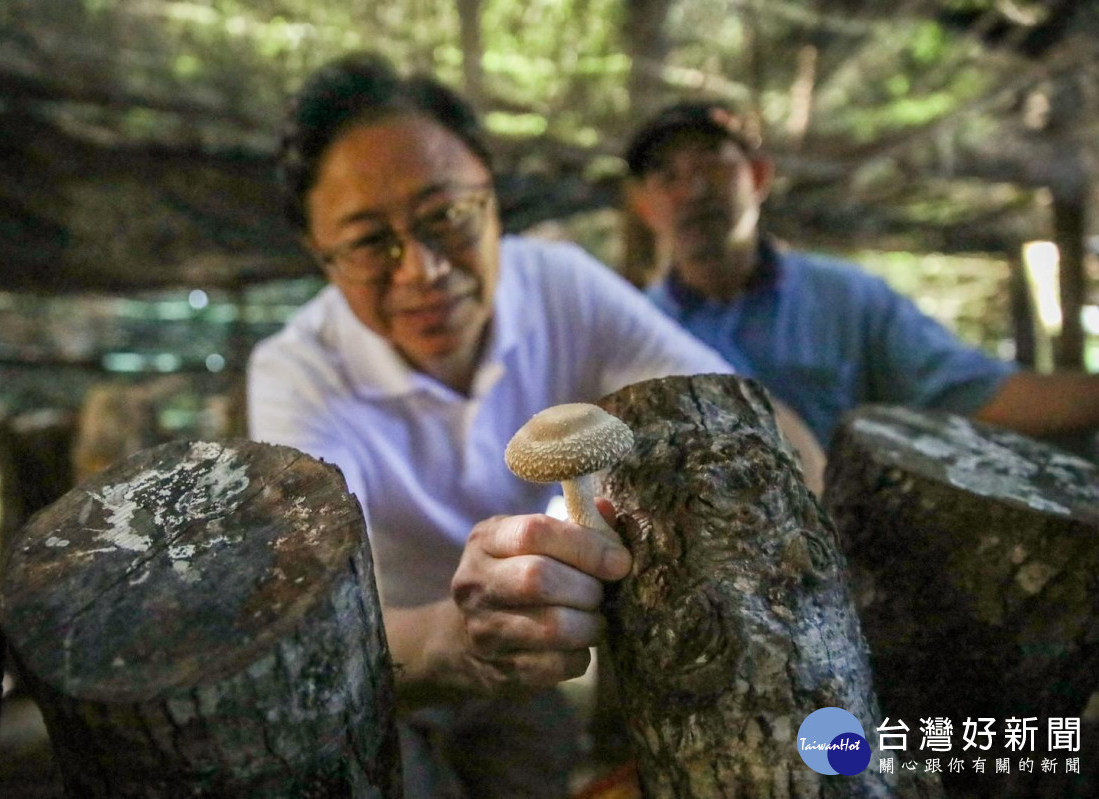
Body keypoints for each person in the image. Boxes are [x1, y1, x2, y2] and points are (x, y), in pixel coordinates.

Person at [247, 54, 822, 797]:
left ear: (490, 194)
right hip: (383, 672)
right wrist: (453, 638)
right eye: (367, 242)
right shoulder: (296, 372)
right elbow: (310, 624)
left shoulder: (559, 284)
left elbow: (730, 406)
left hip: (527, 673)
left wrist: (801, 491)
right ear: (318, 255)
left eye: (447, 216)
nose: (422, 270)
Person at [623, 101, 1099, 450]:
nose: (694, 190)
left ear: (759, 177)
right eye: (668, 177)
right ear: (645, 206)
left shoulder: (847, 299)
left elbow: (975, 394)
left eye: (713, 164)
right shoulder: (627, 330)